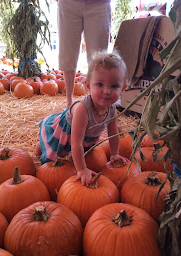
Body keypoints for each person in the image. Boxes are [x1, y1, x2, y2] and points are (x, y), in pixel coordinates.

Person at [36, 50, 129, 186]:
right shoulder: (82, 110)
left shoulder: (112, 109)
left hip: (81, 138)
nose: (107, 91)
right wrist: (81, 169)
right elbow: (76, 143)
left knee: (72, 153)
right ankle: (40, 147)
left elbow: (113, 134)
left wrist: (114, 154)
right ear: (88, 85)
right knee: (51, 148)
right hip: (65, 133)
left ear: (123, 88)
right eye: (100, 84)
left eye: (114, 86)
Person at [57, 0, 111, 109]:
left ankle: (95, 103)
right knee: (67, 52)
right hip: (68, 3)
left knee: (99, 58)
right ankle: (69, 103)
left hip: (100, 3)